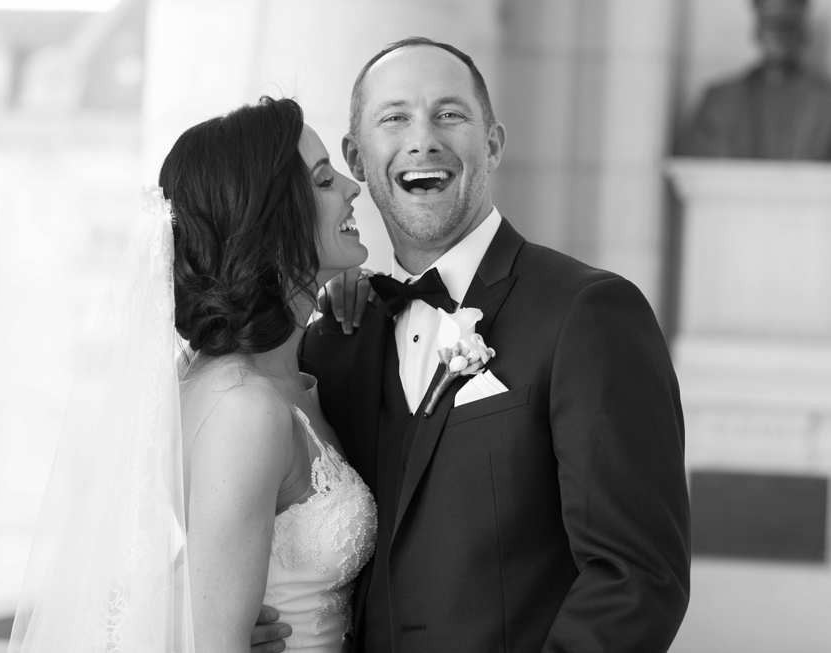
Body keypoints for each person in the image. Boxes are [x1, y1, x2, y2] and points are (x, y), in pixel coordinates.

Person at [257, 37, 691, 652]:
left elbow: (639, 577)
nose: (423, 139)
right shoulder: (333, 339)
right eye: (394, 117)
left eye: (450, 114)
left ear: (492, 143)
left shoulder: (589, 313)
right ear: (356, 155)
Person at [8, 97, 377, 653]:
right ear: (270, 222)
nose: (353, 187)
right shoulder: (245, 410)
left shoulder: (255, 376)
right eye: (324, 180)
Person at [682, 0, 831, 160]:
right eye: (770, 24)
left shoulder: (825, 102)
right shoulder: (719, 101)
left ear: (804, 33)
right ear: (757, 30)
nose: (778, 34)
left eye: (788, 26)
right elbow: (694, 170)